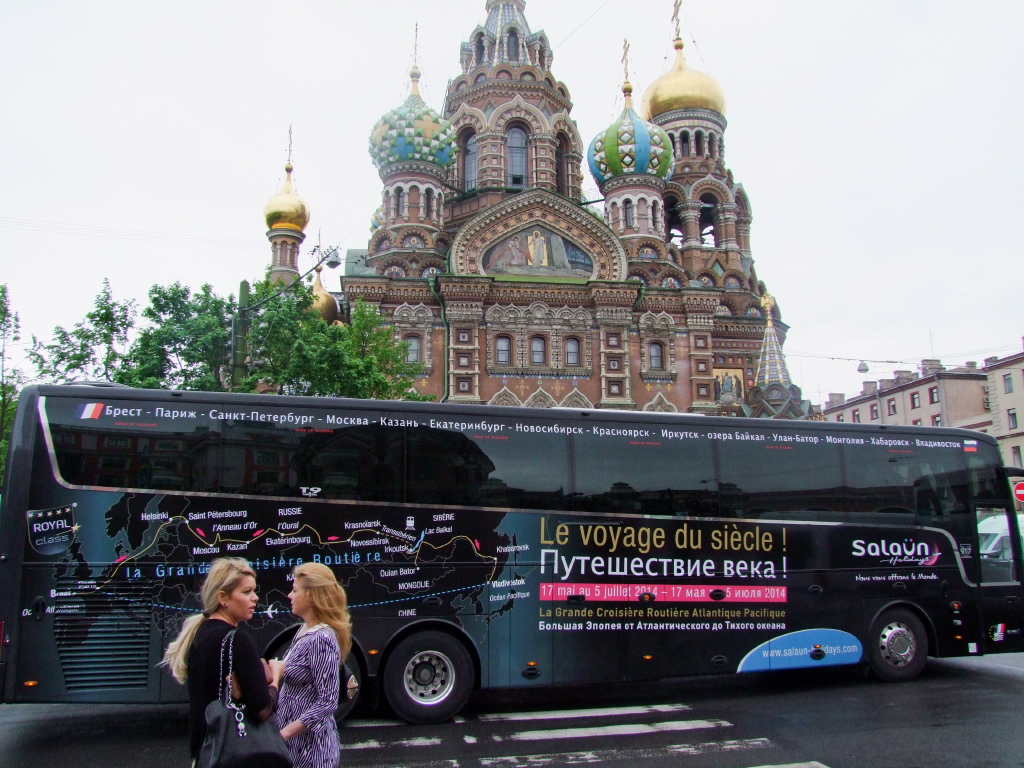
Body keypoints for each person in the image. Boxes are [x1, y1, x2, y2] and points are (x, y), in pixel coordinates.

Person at [162, 557, 282, 765]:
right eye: (246, 592)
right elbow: (262, 709)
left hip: (204, 753)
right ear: (223, 598)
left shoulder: (197, 633)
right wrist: (276, 677)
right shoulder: (238, 639)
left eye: (254, 590)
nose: (255, 598)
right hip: (232, 754)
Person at [271, 562, 352, 768]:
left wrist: (285, 733)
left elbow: (328, 701)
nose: (289, 595)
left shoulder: (321, 638)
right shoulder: (304, 630)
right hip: (295, 747)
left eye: (295, 590)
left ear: (311, 595)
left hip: (311, 750)